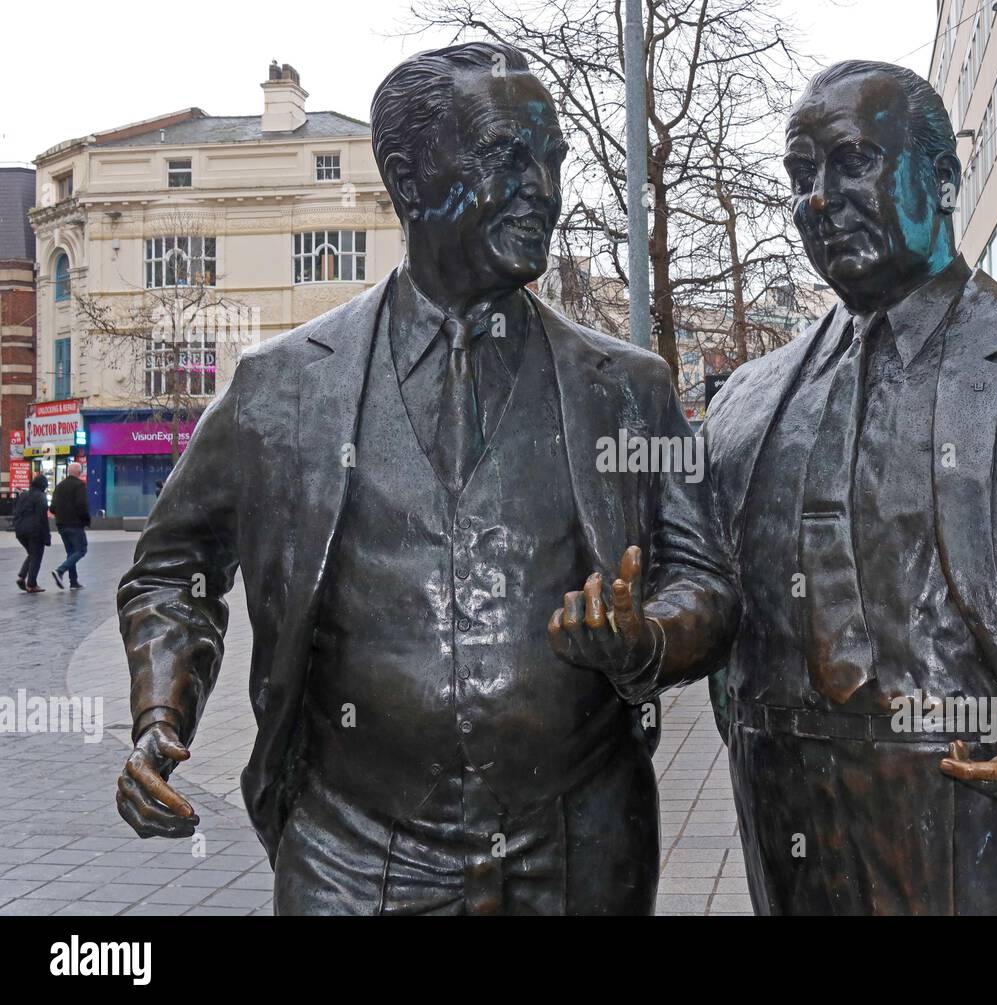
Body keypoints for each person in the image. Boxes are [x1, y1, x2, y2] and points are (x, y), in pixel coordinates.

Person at [558, 60, 997, 915]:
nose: (819, 198)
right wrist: (645, 640)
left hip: (995, 814)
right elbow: (706, 594)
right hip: (793, 821)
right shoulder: (747, 400)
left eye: (852, 161)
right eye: (800, 174)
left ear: (942, 179)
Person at [114, 43, 735, 916]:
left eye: (552, 160)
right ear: (406, 177)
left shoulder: (628, 389)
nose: (544, 190)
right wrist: (161, 715)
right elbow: (172, 568)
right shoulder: (284, 386)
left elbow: (706, 577)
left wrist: (651, 638)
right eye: (507, 156)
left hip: (578, 850)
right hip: (352, 852)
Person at [51, 461, 90, 590]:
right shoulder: (79, 485)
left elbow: (52, 507)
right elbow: (82, 505)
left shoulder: (59, 486)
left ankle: (73, 582)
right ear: (79, 473)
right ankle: (60, 571)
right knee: (81, 550)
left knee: (71, 552)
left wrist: (61, 516)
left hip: (61, 524)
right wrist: (86, 520)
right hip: (75, 524)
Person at [13, 474, 51, 594]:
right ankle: (32, 584)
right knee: (36, 556)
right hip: (34, 531)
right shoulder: (41, 497)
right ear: (43, 486)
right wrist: (47, 536)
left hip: (20, 530)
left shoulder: (23, 495)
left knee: (32, 554)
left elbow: (17, 512)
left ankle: (22, 577)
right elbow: (42, 519)